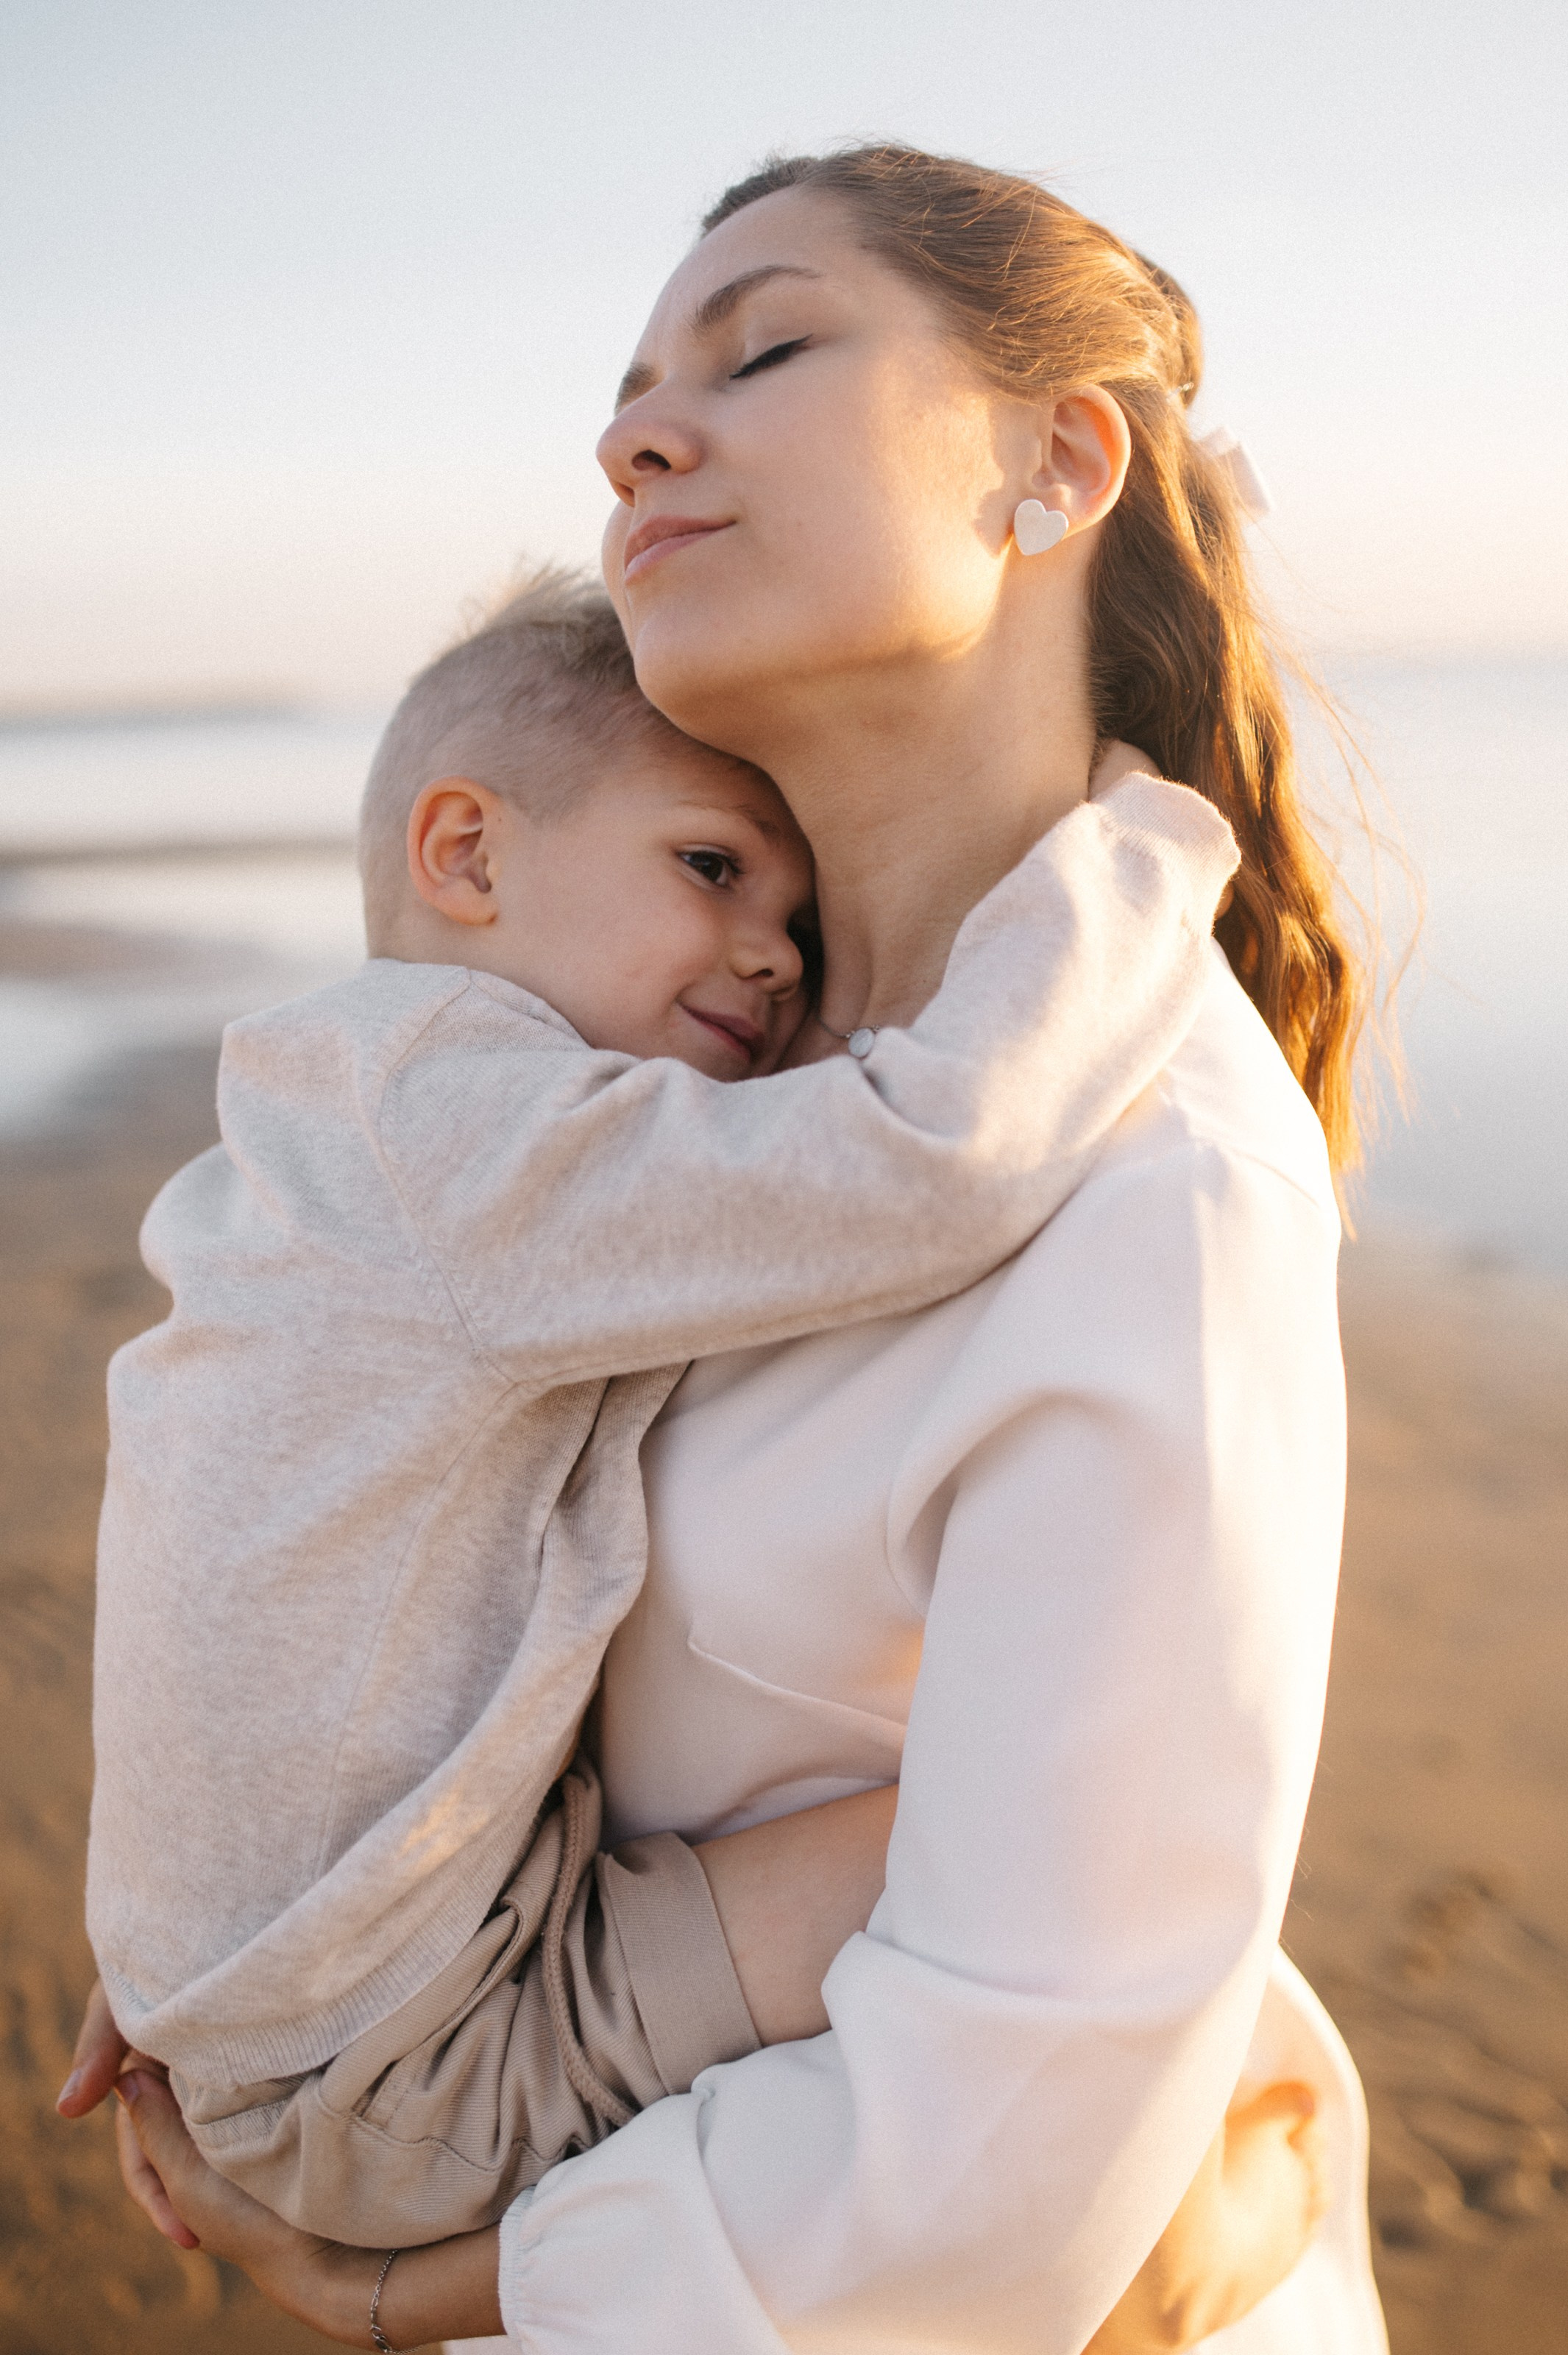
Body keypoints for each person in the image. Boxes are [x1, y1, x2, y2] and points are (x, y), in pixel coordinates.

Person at [77, 143, 1388, 2353]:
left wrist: (427, 2288)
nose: (632, 433)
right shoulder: (709, 1090)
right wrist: (234, 1889)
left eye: (763, 345)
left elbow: (1010, 2119)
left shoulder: (1141, 1179)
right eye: (625, 392)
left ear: (1050, 466)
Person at [84, 563, 1236, 2250]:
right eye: (711, 868)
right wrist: (1138, 849)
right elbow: (927, 1158)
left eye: (798, 912)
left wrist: (196, 1940)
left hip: (274, 1988)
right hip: (393, 2067)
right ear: (465, 855)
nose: (772, 957)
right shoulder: (468, 1146)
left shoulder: (341, 1116)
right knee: (1058, 1826)